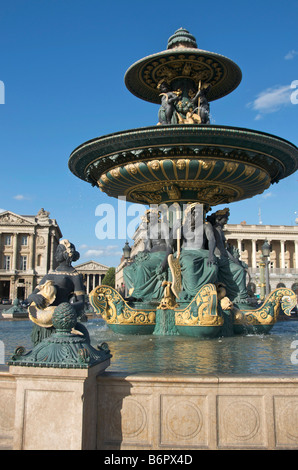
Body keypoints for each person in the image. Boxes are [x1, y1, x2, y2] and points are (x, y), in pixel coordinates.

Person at [27, 239, 88, 345]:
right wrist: (33, 297)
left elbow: (81, 303)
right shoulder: (50, 275)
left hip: (62, 321)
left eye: (58, 251)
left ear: (66, 254)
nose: (55, 254)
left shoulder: (75, 276)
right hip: (44, 319)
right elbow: (31, 296)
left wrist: (64, 309)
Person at [170, 203, 218, 301]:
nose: (198, 216)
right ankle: (192, 293)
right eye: (195, 214)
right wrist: (175, 229)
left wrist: (211, 255)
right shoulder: (183, 228)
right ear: (190, 215)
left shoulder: (206, 226)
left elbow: (212, 240)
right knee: (190, 263)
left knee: (213, 267)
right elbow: (170, 243)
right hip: (186, 253)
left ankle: (205, 292)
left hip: (202, 253)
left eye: (200, 214)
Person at [123, 209, 172, 302]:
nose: (150, 219)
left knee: (142, 266)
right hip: (151, 256)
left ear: (157, 216)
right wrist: (138, 255)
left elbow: (170, 246)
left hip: (161, 255)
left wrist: (164, 262)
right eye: (149, 217)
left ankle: (139, 295)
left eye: (152, 216)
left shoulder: (163, 226)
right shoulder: (149, 232)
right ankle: (133, 292)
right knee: (127, 269)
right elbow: (148, 249)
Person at [207, 208, 249, 304]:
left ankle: (238, 294)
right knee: (239, 270)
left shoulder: (219, 230)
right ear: (218, 219)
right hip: (220, 257)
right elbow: (222, 249)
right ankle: (239, 296)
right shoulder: (216, 230)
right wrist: (234, 259)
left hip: (222, 256)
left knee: (242, 266)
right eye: (225, 219)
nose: (226, 221)